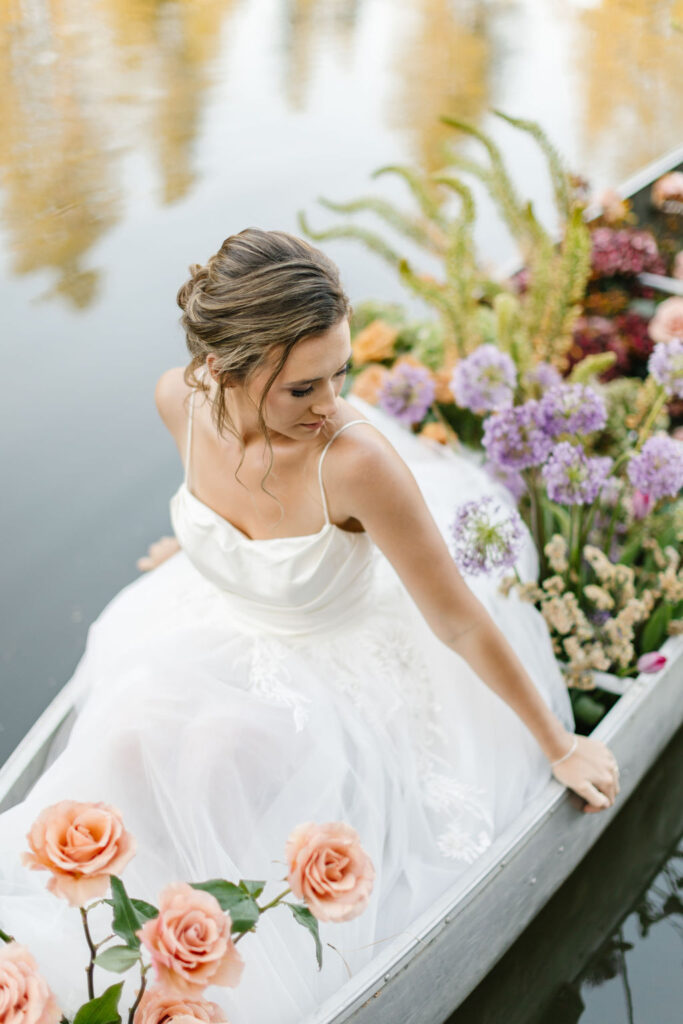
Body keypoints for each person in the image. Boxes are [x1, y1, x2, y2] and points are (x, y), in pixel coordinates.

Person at [0, 228, 618, 1022]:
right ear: (221, 371)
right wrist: (201, 542)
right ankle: (91, 954)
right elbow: (229, 500)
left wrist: (558, 744)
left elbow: (459, 622)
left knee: (214, 751)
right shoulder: (175, 401)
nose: (331, 407)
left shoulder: (355, 460)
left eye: (342, 375)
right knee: (127, 731)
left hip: (343, 662)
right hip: (222, 621)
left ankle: (202, 974)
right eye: (302, 389)